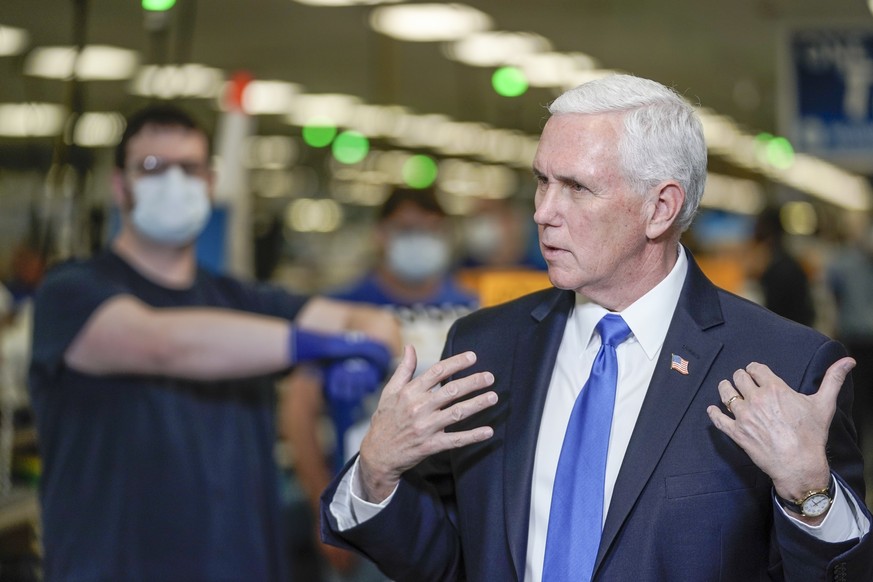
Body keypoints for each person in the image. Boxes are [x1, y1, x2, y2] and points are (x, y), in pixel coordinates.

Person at [320, 74, 872, 581]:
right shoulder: (486, 347)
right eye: (541, 181)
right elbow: (448, 560)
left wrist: (809, 493)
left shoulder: (782, 366)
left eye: (576, 188)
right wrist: (376, 472)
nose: (543, 211)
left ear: (660, 208)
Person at [28, 104, 402, 582]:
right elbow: (164, 343)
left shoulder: (241, 298)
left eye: (190, 168)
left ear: (209, 182)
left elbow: (374, 321)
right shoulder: (71, 292)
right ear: (119, 185)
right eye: (152, 167)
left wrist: (362, 354)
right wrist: (320, 345)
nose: (174, 182)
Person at [282, 186, 477, 581]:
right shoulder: (343, 311)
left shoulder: (473, 310)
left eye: (431, 229)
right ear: (380, 235)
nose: (420, 239)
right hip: (366, 505)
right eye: (407, 229)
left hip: (458, 509)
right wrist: (322, 500)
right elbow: (297, 412)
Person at [748, 206, 816, 327]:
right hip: (799, 331)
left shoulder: (776, 271)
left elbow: (770, 311)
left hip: (784, 332)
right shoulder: (793, 264)